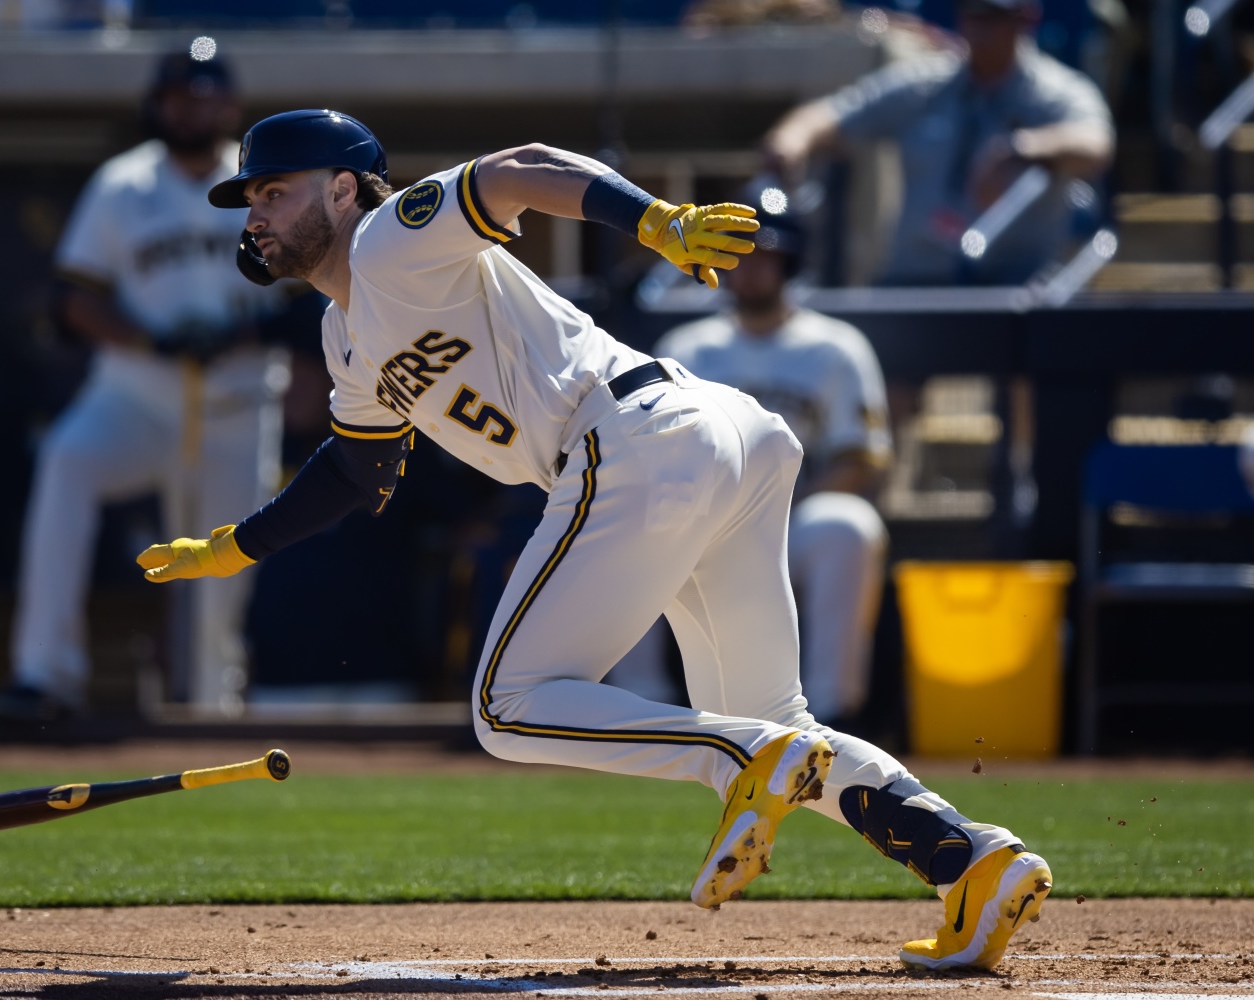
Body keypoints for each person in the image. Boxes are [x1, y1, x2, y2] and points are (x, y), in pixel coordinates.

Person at [136, 109, 1053, 970]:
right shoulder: (345, 337)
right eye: (253, 198)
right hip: (714, 437)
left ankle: (743, 758)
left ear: (344, 188)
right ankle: (972, 864)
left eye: (274, 190)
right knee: (778, 722)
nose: (257, 212)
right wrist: (230, 548)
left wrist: (655, 219)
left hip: (631, 437)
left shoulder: (387, 236)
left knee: (507, 708)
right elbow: (357, 473)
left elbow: (521, 171)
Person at [0, 48, 290, 722]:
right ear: (157, 104)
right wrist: (151, 338)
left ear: (231, 109)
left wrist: (243, 332)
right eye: (179, 97)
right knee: (67, 460)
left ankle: (216, 707)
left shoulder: (268, 184)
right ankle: (45, 673)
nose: (192, 108)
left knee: (227, 575)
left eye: (205, 97)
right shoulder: (122, 184)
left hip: (237, 404)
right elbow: (74, 299)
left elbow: (308, 298)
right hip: (137, 395)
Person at [655, 204, 890, 729]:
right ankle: (641, 709)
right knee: (629, 522)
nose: (751, 268)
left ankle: (833, 713)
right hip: (703, 519)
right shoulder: (685, 347)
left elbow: (859, 459)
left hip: (794, 516)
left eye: (766, 257)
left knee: (847, 524)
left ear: (790, 264)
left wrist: (770, 514)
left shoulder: (836, 347)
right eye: (737, 256)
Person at [763, 0, 1114, 286]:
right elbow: (832, 115)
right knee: (881, 350)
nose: (980, 28)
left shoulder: (1056, 92)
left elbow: (1096, 145)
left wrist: (1025, 149)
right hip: (919, 274)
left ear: (1026, 18)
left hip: (1012, 280)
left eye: (994, 17)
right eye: (972, 14)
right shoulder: (926, 85)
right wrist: (792, 142)